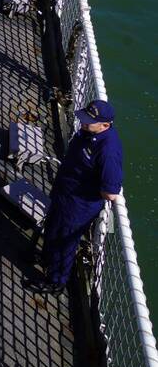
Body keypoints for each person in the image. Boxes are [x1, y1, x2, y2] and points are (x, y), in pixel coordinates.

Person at [26, 100, 124, 295]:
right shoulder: (89, 132)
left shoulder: (108, 151)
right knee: (53, 228)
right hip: (64, 193)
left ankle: (56, 282)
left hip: (77, 207)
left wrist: (83, 188)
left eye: (89, 121)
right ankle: (46, 258)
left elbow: (110, 192)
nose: (83, 123)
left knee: (65, 243)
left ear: (105, 125)